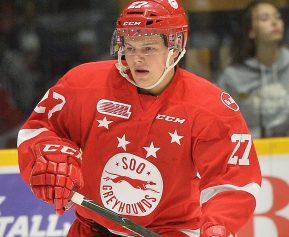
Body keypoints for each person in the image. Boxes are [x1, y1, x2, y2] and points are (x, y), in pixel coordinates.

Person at [17, 1, 261, 236]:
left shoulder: (210, 107)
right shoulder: (84, 84)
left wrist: (217, 227)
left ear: (175, 48)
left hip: (172, 231)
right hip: (91, 228)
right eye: (130, 47)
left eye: (149, 48)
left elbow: (233, 179)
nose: (136, 59)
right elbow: (40, 129)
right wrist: (47, 155)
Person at [217, 0, 289, 138]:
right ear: (251, 31)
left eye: (278, 17)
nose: (275, 22)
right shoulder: (233, 76)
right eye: (265, 18)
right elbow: (222, 122)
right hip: (251, 150)